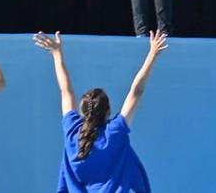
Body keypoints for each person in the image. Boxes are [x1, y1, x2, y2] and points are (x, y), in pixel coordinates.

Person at [32, 30, 167, 192]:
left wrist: (56, 53)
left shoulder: (72, 131)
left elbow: (65, 90)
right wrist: (152, 53)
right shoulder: (115, 132)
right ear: (108, 111)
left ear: (83, 112)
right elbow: (136, 92)